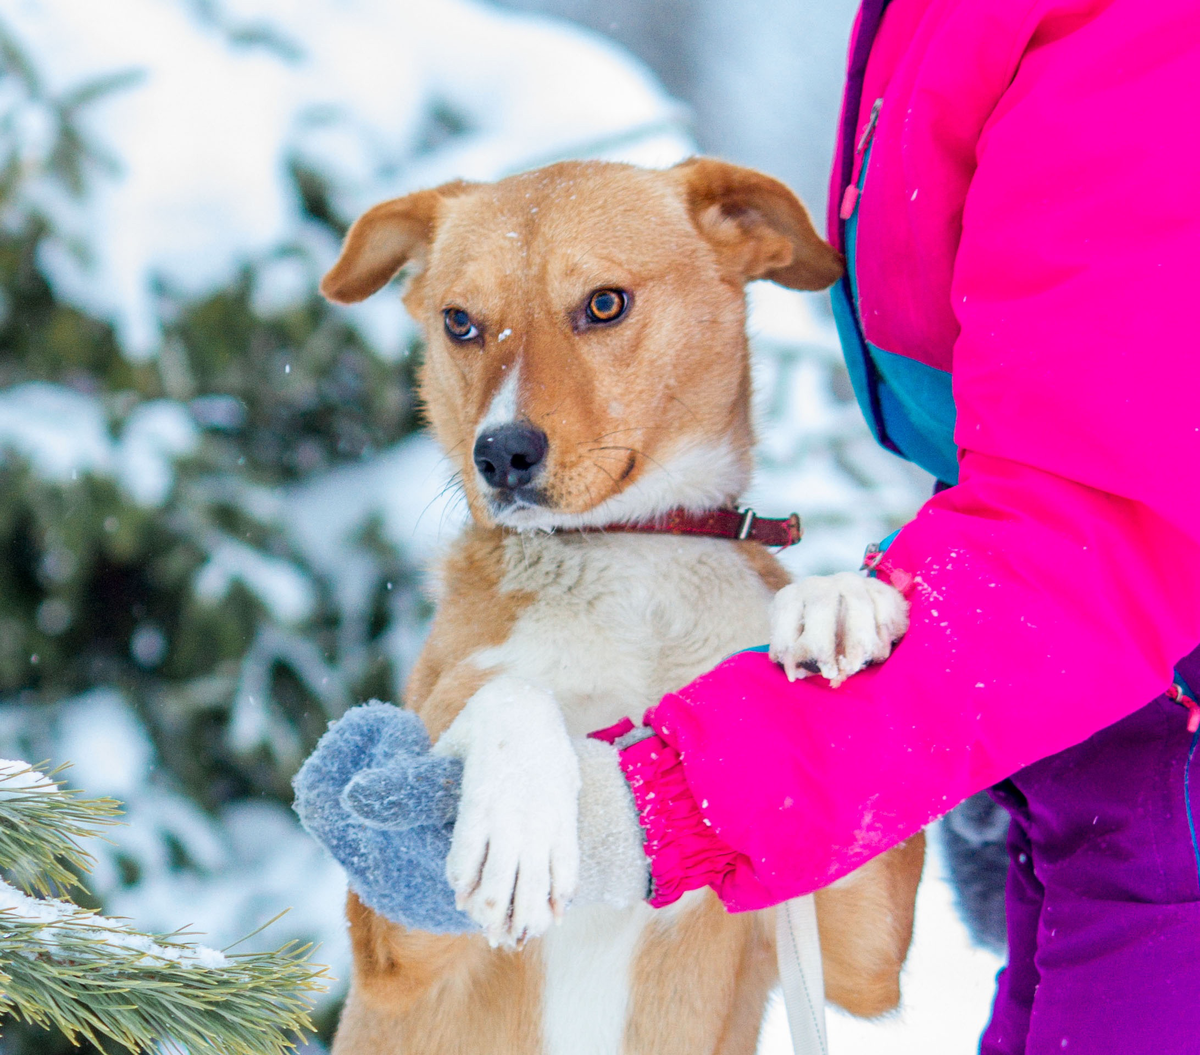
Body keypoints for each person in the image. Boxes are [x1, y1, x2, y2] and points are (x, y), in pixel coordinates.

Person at [596, 0, 1200, 1051]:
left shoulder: (1146, 41)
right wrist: (1019, 750)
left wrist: (648, 798)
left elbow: (1096, 509)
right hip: (1121, 764)